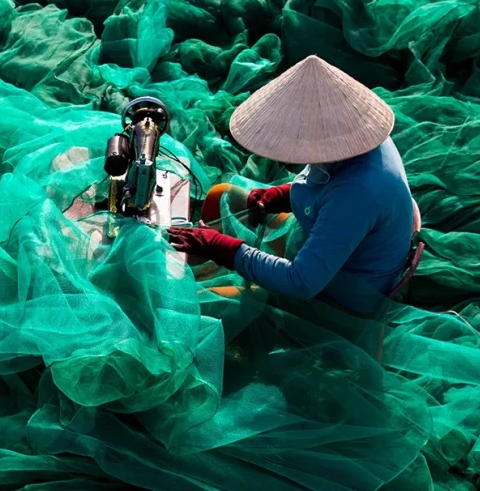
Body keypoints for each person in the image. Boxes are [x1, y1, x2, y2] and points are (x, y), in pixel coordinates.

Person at [168, 55, 420, 315]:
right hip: (335, 246)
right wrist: (281, 196)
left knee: (208, 302)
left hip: (341, 291)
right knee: (221, 195)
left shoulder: (357, 194)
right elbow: (321, 182)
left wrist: (221, 248)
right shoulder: (355, 138)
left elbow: (301, 282)